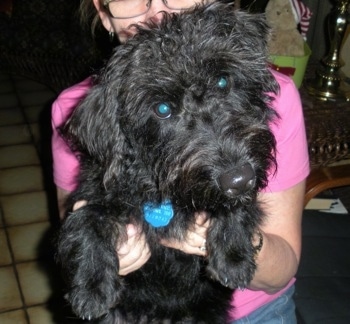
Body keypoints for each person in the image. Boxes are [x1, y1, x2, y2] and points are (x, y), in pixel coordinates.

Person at [51, 0, 310, 322]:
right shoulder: (81, 110)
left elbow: (280, 272)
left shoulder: (276, 92)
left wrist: (231, 235)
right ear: (103, 13)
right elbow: (73, 239)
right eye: (163, 110)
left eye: (221, 84)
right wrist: (99, 252)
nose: (159, 12)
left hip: (245, 310)